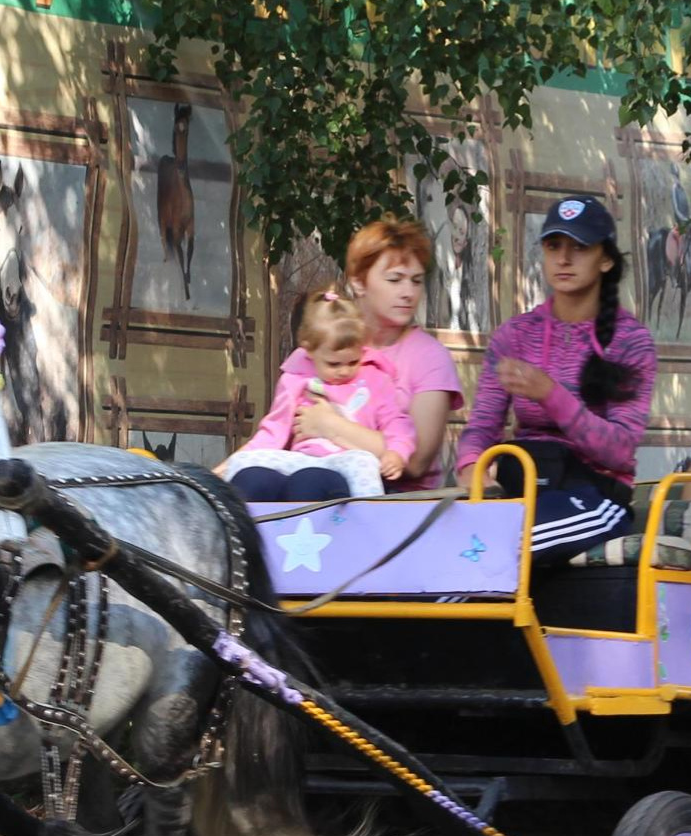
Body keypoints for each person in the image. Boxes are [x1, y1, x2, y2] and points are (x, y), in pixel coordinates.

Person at [455, 195, 658, 563]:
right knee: (447, 551)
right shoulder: (514, 335)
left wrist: (550, 393)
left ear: (606, 259)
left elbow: (620, 449)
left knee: (492, 552)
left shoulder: (631, 340)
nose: (563, 259)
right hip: (523, 486)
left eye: (579, 247)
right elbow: (481, 427)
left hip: (596, 496)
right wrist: (473, 470)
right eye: (553, 246)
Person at [274, 217, 464, 489]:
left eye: (416, 281)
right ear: (359, 283)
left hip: (393, 501)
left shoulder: (430, 358)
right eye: (395, 279)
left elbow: (415, 461)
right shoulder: (326, 339)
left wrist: (331, 426)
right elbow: (279, 429)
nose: (408, 292)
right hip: (308, 480)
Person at [218, 292, 415, 500]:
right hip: (302, 459)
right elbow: (273, 432)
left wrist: (397, 452)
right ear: (309, 352)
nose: (344, 371)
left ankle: (370, 520)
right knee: (245, 465)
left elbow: (397, 423)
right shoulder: (295, 380)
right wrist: (230, 465)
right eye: (334, 364)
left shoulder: (376, 380)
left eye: (353, 362)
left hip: (348, 461)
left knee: (364, 463)